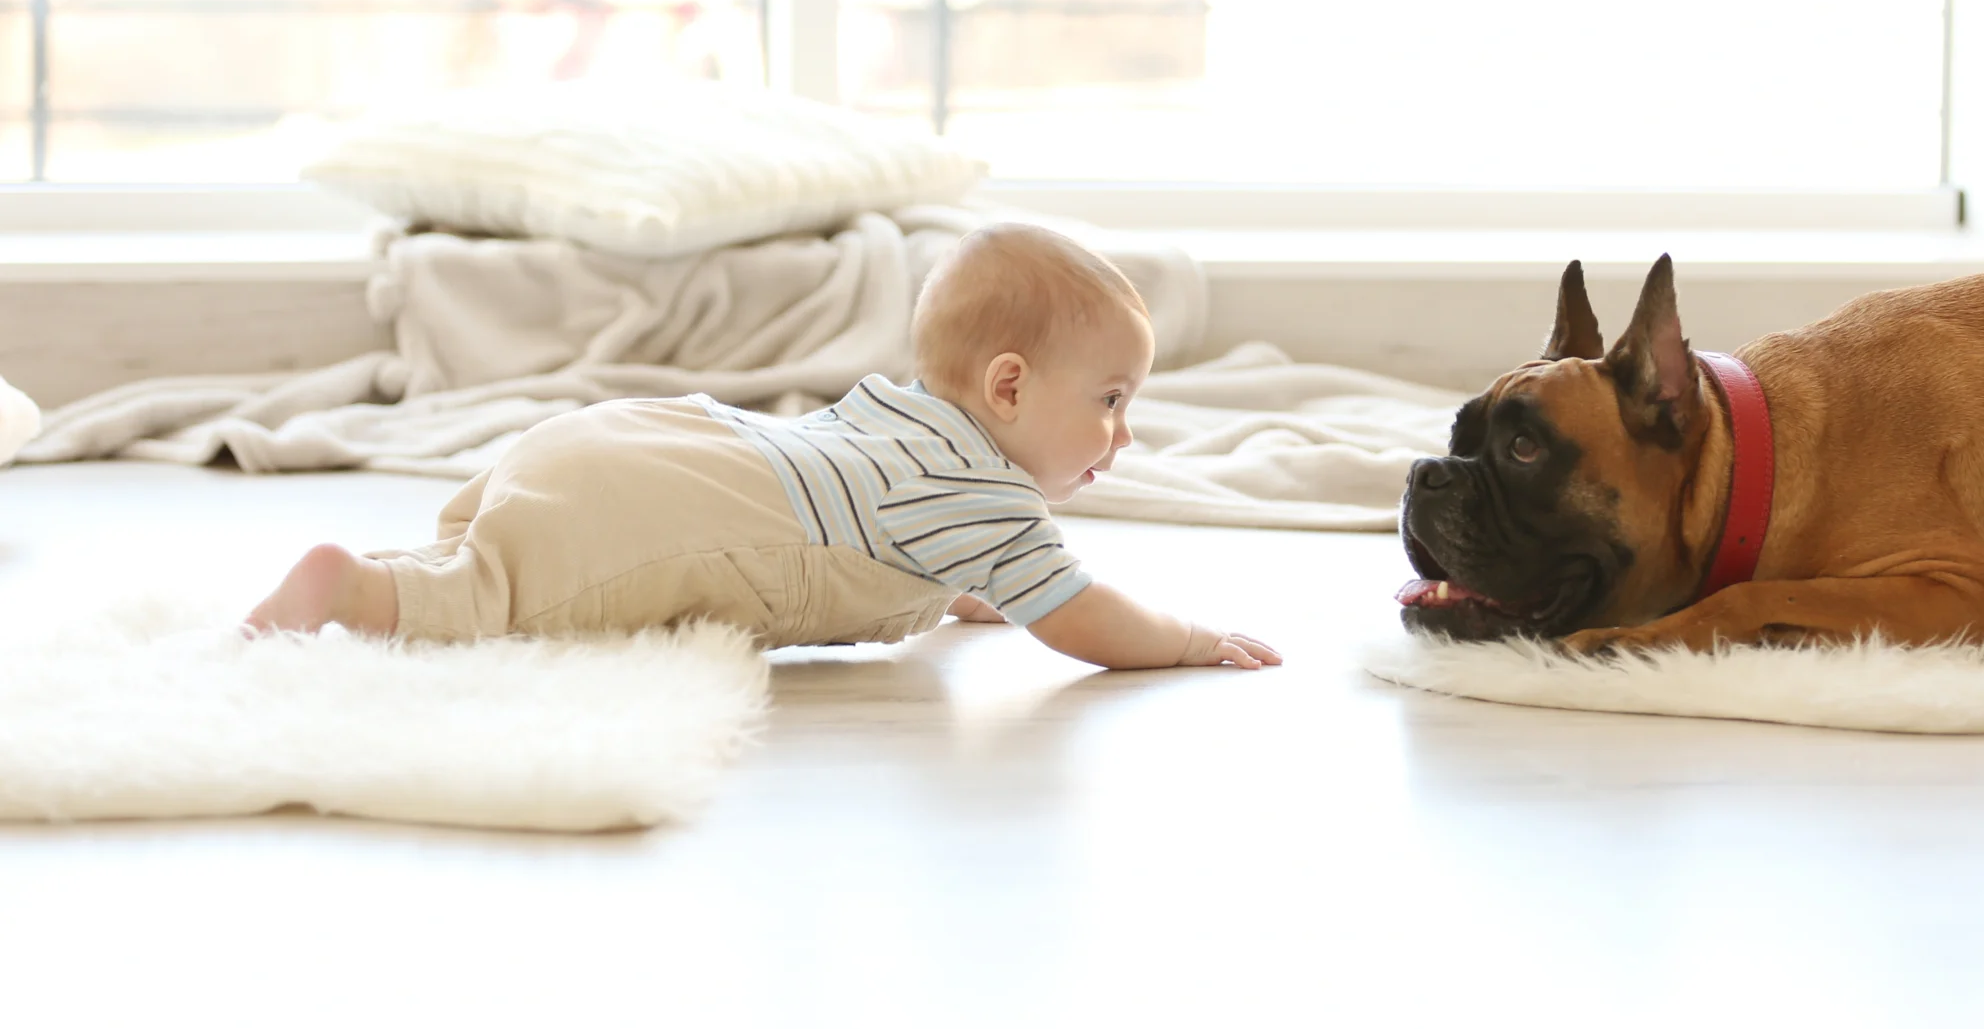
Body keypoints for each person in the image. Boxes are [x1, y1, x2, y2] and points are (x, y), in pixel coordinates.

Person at [243, 223, 1281, 671]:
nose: (1124, 430)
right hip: (659, 509)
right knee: (494, 604)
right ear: (1008, 386)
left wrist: (977, 595)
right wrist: (1184, 637)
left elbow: (941, 563)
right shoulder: (983, 497)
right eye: (1108, 397)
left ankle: (396, 571)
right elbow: (1079, 615)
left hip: (633, 439)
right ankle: (351, 587)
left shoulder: (903, 425)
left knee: (495, 553)